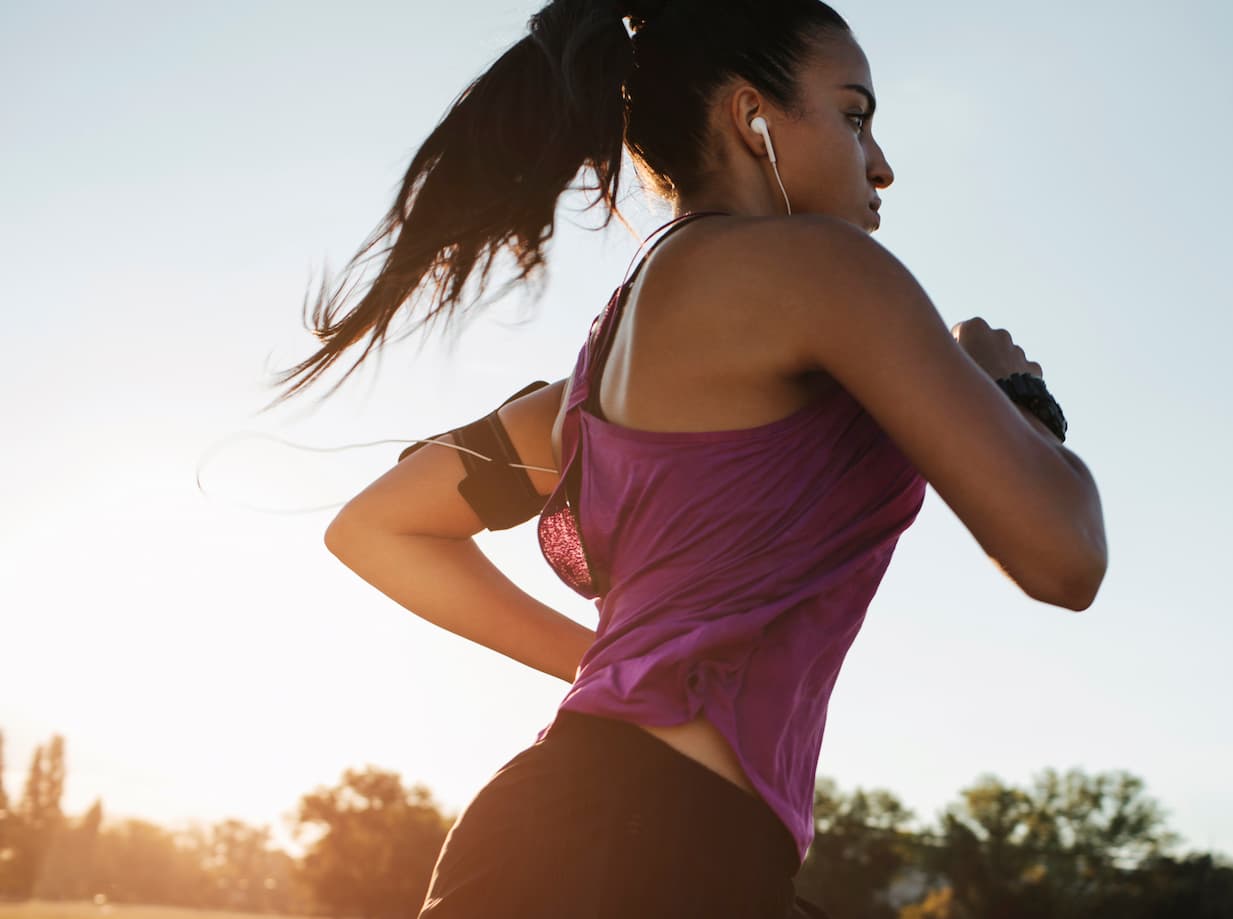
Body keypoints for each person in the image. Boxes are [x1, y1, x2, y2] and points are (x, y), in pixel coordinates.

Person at [282, 0, 1106, 914]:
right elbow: (1064, 554)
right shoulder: (825, 270)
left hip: (578, 838)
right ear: (752, 118)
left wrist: (619, 669)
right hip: (653, 852)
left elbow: (377, 527)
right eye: (854, 114)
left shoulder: (588, 391)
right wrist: (1014, 393)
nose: (881, 164)